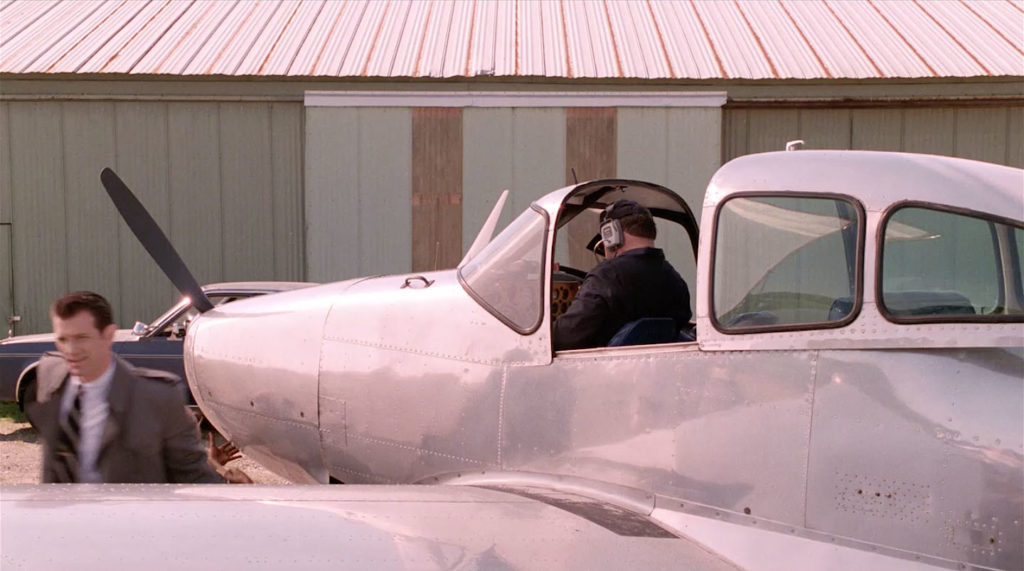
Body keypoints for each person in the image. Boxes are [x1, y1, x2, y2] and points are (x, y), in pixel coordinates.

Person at [23, 291, 250, 483]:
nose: (71, 350)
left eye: (82, 338)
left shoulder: (157, 397)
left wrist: (230, 490)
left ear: (108, 335)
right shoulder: (50, 376)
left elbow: (192, 475)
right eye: (63, 340)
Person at [552, 199, 692, 350]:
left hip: (605, 372)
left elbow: (567, 336)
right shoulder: (675, 280)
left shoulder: (605, 278)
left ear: (611, 234)